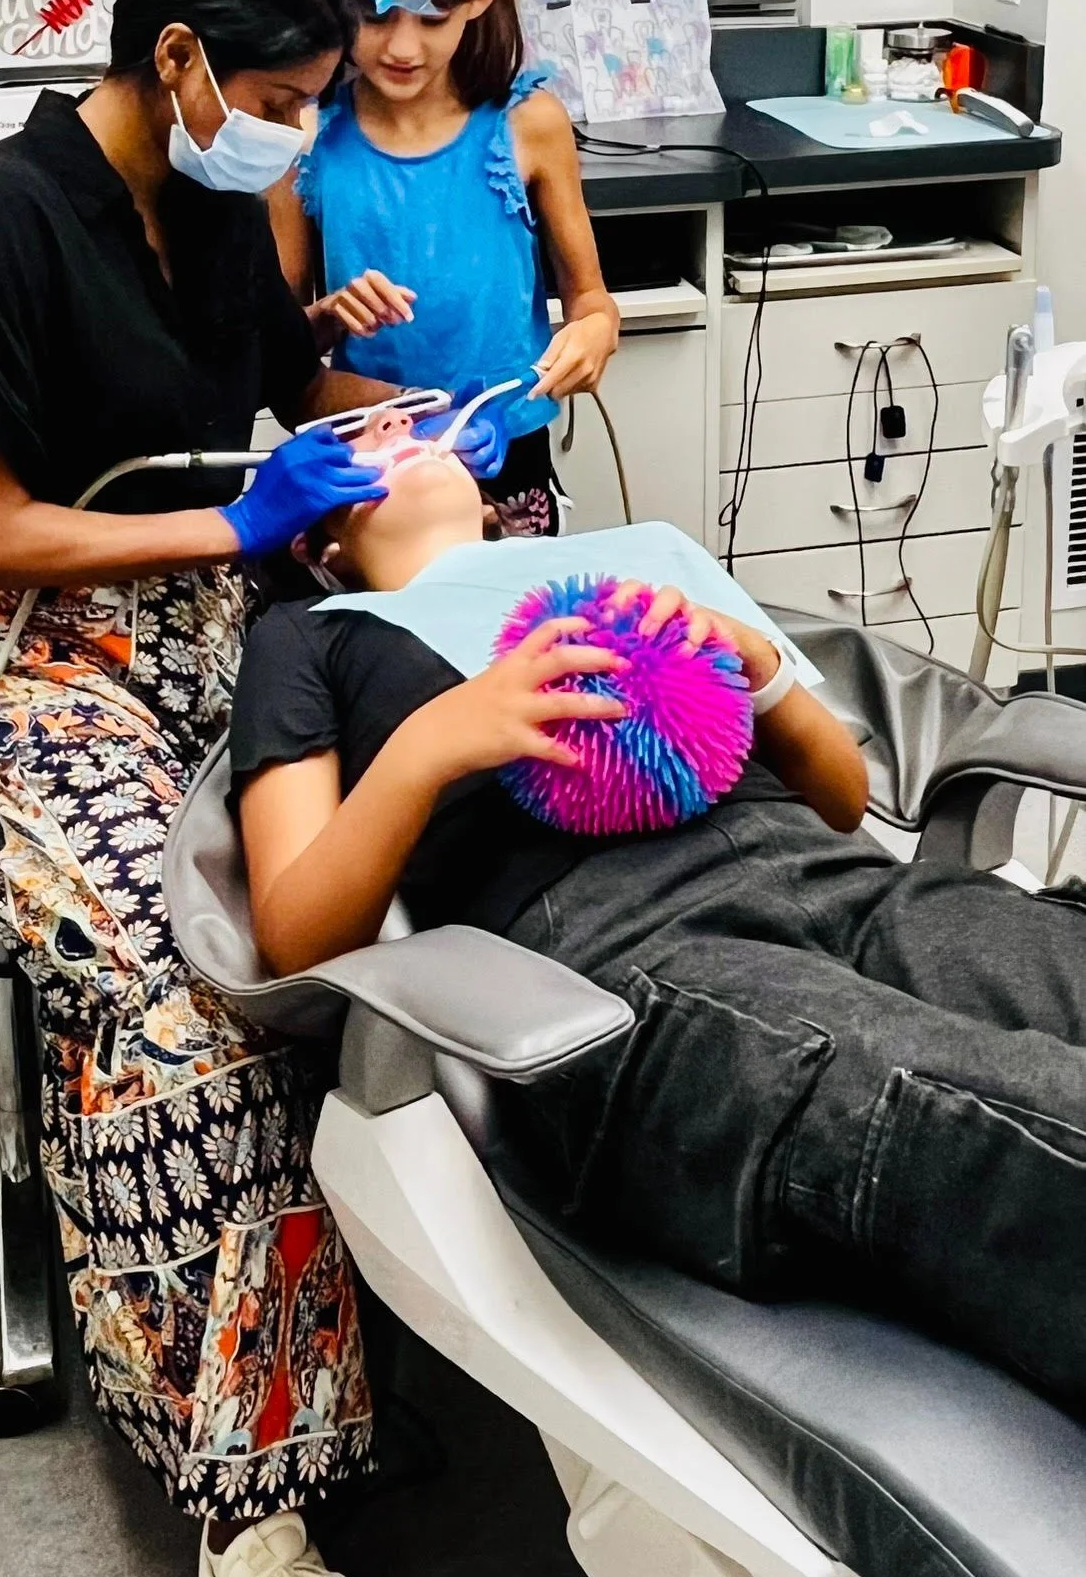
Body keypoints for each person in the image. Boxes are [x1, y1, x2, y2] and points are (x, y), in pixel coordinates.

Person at [0, 0, 418, 1577]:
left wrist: (410, 425)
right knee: (199, 998)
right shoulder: (0, 216)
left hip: (213, 639)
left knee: (382, 900)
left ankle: (399, 1328)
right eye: (277, 91)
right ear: (179, 59)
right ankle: (259, 1541)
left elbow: (285, 391)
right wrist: (235, 526)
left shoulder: (212, 205)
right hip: (27, 669)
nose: (293, 127)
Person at [230, 415, 1086, 1414]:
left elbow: (846, 797)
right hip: (625, 949)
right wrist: (434, 741)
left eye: (413, 421)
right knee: (958, 1099)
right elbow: (295, 931)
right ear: (321, 542)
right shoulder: (316, 635)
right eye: (362, 436)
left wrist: (756, 666)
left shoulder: (638, 558)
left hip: (833, 871)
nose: (392, 422)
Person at [267, 0, 621, 538]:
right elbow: (273, 350)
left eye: (432, 18)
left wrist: (595, 332)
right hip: (374, 459)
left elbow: (591, 299)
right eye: (376, 16)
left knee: (509, 627)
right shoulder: (305, 137)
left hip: (508, 453)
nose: (403, 47)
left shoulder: (528, 124)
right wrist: (328, 313)